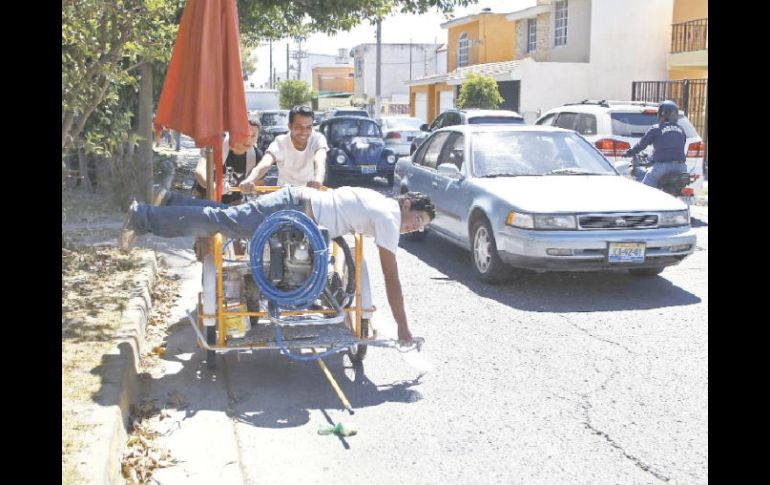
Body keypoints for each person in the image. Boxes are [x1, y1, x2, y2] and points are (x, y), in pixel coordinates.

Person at [120, 186, 436, 343]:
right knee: (226, 221)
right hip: (294, 206)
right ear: (407, 204)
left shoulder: (381, 202)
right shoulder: (390, 216)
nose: (416, 227)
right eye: (418, 220)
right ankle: (142, 216)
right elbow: (392, 279)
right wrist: (404, 330)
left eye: (421, 227)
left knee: (227, 220)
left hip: (300, 207)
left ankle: (172, 204)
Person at [238, 105, 328, 192]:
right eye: (298, 127)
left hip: (310, 194)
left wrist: (318, 180)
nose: (304, 132)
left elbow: (320, 161)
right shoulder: (280, 142)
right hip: (285, 197)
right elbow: (264, 164)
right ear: (290, 126)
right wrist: (250, 180)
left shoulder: (318, 139)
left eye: (308, 127)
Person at [624, 100, 687, 188]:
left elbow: (641, 145)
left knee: (645, 190)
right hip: (682, 168)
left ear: (662, 115)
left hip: (662, 168)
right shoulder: (682, 130)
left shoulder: (656, 128)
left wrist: (630, 152)